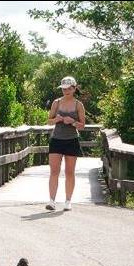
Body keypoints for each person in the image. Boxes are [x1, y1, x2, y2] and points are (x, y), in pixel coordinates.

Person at [46, 76, 86, 211]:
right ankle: (51, 201)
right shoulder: (56, 103)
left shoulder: (78, 105)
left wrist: (73, 122)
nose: (66, 91)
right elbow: (49, 121)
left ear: (74, 88)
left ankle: (68, 201)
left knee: (69, 172)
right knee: (54, 171)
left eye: (69, 88)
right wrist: (56, 119)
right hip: (56, 139)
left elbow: (82, 126)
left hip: (72, 140)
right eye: (63, 89)